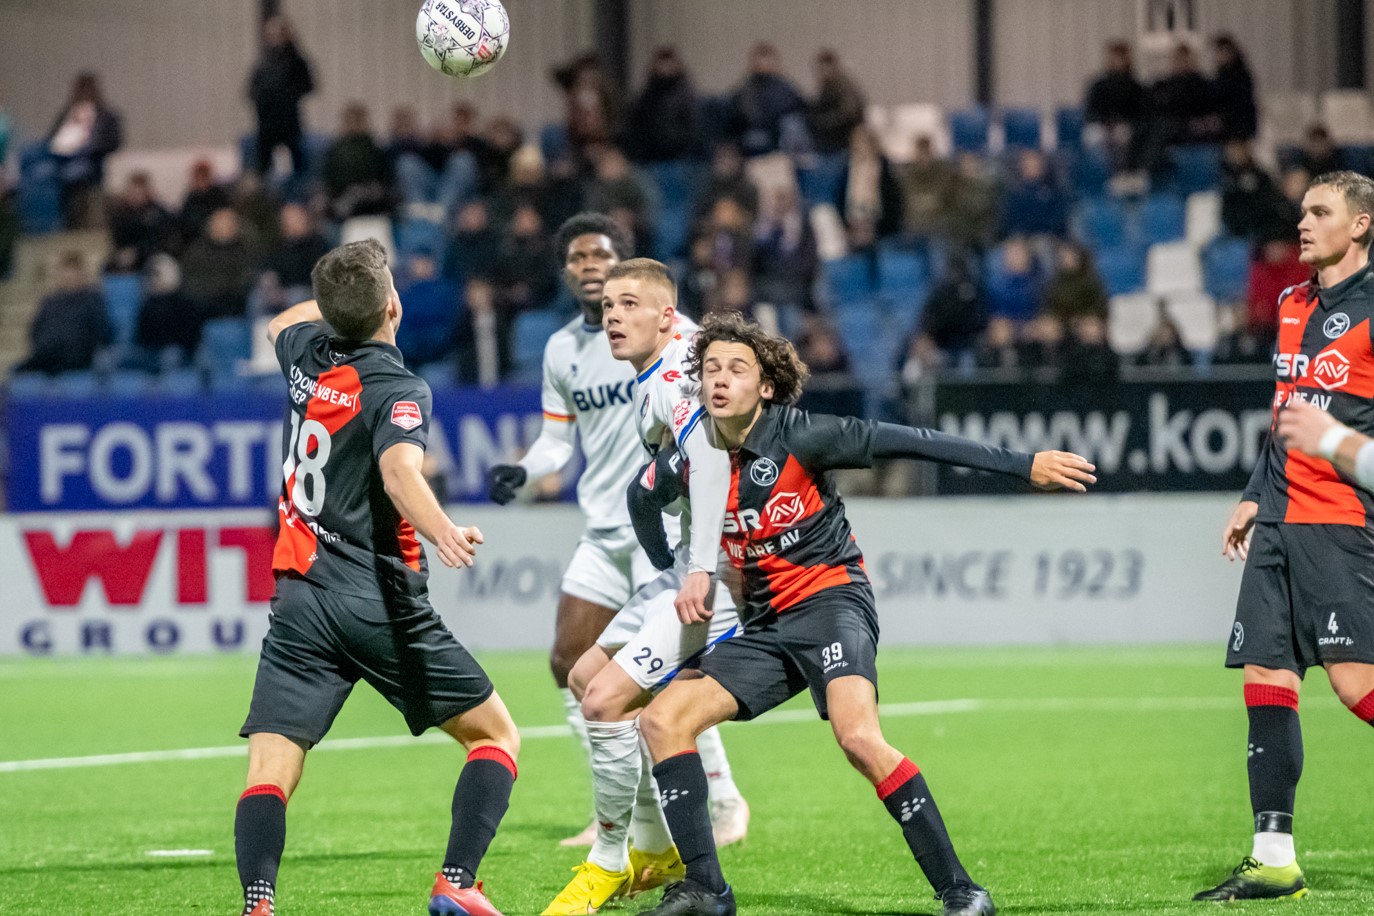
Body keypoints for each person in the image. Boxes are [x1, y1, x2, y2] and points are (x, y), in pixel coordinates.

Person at [628, 310, 1096, 916]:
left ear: (764, 387)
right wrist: (673, 563)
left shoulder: (804, 436)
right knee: (663, 721)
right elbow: (642, 495)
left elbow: (915, 440)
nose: (720, 379)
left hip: (831, 603)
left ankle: (962, 891)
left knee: (858, 739)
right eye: (710, 367)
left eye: (736, 369)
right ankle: (706, 891)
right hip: (767, 627)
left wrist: (1021, 464)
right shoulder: (694, 457)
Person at [234, 240, 517, 916]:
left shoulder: (302, 351)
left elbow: (281, 322)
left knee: (271, 769)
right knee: (495, 736)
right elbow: (398, 472)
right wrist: (444, 530)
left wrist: (341, 299)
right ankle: (456, 882)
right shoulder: (397, 387)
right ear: (393, 305)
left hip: (300, 599)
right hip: (378, 603)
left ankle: (259, 903)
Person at [485, 217, 749, 858]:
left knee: (662, 673)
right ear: (567, 271)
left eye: (600, 254)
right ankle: (627, 807)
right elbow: (557, 440)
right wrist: (526, 469)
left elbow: (710, 443)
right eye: (576, 257)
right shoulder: (561, 351)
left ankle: (720, 796)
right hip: (606, 526)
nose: (589, 264)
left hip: (666, 534)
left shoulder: (675, 342)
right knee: (568, 664)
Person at [541, 259, 747, 914]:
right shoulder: (652, 377)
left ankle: (609, 859)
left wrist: (698, 569)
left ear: (667, 316)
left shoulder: (676, 378)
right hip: (683, 565)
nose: (614, 318)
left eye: (629, 305)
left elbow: (712, 462)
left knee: (604, 702)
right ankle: (656, 845)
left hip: (713, 577)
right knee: (582, 679)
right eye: (607, 309)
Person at [1202, 171, 1374, 902]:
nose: (1302, 222)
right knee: (1266, 678)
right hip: (1275, 520)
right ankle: (1274, 858)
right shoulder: (1292, 302)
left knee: (1356, 685)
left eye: (1320, 211)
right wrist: (1251, 494)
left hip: (1338, 521)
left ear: (1360, 225)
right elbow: (1283, 411)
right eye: (1303, 210)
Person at [45, 72, 121, 228]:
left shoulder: (105, 115)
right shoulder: (68, 115)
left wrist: (91, 147)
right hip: (64, 179)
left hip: (93, 176)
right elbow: (51, 142)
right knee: (71, 221)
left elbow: (114, 142)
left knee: (93, 220)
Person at [16, 251, 110, 375]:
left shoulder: (92, 299)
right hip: (46, 355)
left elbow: (102, 330)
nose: (69, 276)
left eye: (73, 272)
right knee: (17, 373)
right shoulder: (49, 301)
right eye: (66, 272)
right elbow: (35, 329)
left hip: (77, 357)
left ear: (82, 274)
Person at [247, 15, 314, 178]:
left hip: (288, 121)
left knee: (298, 165)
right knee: (263, 167)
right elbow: (251, 88)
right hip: (267, 122)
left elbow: (308, 85)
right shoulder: (264, 61)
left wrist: (288, 96)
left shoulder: (297, 60)